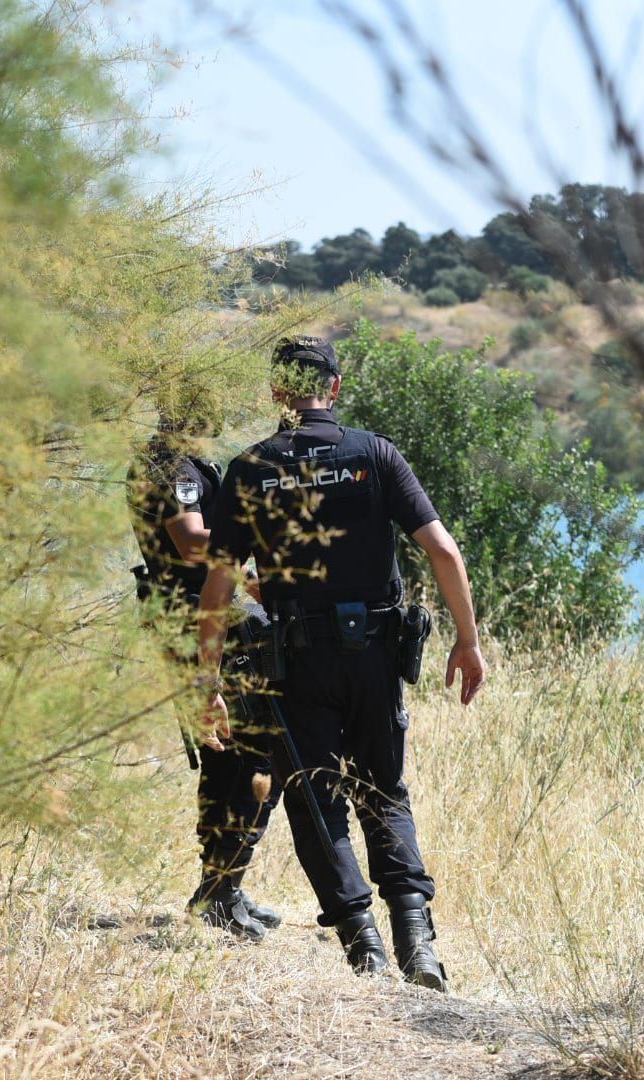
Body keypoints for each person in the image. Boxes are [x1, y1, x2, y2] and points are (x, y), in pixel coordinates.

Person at [194, 335, 486, 990]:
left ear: (276, 390)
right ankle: (420, 947)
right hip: (376, 658)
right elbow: (441, 549)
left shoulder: (250, 468)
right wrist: (467, 641)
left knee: (317, 802)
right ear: (335, 385)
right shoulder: (376, 455)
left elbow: (218, 585)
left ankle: (366, 950)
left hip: (299, 665)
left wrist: (207, 677)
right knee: (384, 789)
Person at [126, 387, 283, 941]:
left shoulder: (186, 463)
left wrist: (244, 578)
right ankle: (219, 892)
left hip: (202, 615)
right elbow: (193, 545)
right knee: (238, 749)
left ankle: (223, 887)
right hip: (193, 620)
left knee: (235, 753)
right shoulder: (169, 465)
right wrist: (256, 541)